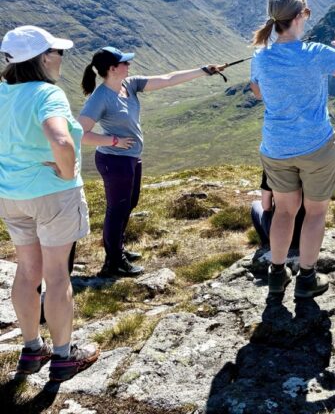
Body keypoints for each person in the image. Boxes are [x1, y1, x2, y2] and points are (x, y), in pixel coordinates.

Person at [250, 0, 335, 298]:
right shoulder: (315, 53)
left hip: (276, 147)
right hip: (316, 146)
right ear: (300, 15)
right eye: (307, 12)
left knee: (284, 212)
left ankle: (277, 275)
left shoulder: (260, 56)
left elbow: (258, 91)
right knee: (315, 213)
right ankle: (306, 278)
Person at [0, 25, 100, 381]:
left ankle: (31, 349)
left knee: (27, 270)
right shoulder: (47, 93)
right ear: (42, 58)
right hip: (52, 195)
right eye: (58, 52)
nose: (61, 58)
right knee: (56, 274)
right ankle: (63, 356)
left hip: (11, 196)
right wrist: (66, 171)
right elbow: (60, 139)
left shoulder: (2, 92)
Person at [78, 47, 225, 277]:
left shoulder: (129, 85)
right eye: (124, 63)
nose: (129, 65)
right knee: (117, 209)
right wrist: (114, 141)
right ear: (112, 69)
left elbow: (167, 79)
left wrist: (204, 70)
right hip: (114, 161)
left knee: (129, 204)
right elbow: (80, 133)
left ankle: (118, 249)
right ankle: (113, 262)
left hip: (130, 158)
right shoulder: (100, 98)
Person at [251, 171, 304, 251]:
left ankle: (267, 245)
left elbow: (266, 206)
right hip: (308, 234)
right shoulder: (315, 168)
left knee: (255, 205)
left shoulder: (271, 167)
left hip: (281, 234)